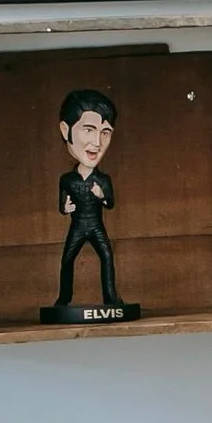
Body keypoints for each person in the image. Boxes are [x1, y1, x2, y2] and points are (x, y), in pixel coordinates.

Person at [45, 91, 135, 319]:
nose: (97, 143)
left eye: (105, 133)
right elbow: (61, 205)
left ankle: (111, 298)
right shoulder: (67, 179)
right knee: (67, 260)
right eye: (88, 130)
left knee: (106, 256)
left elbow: (111, 203)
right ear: (66, 131)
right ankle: (64, 298)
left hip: (96, 225)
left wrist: (101, 195)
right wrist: (66, 208)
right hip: (77, 226)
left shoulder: (103, 180)